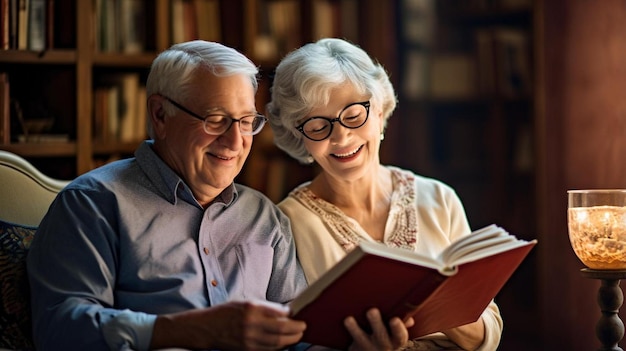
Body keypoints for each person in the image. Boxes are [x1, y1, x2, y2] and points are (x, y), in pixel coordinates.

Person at [26, 40, 410, 351]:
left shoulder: (264, 216)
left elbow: (300, 337)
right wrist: (183, 331)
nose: (234, 141)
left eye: (246, 122)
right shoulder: (94, 203)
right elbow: (60, 328)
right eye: (215, 120)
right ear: (160, 115)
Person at [266, 38, 503, 351]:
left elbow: (490, 328)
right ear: (299, 135)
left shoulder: (439, 199)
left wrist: (443, 309)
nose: (341, 136)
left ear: (379, 112)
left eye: (353, 115)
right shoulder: (285, 225)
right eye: (318, 124)